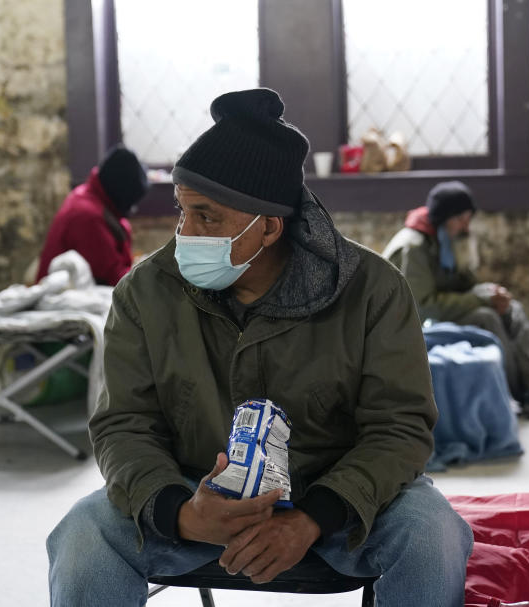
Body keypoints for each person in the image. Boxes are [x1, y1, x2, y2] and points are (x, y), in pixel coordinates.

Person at [46, 89, 474, 606]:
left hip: (337, 503)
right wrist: (181, 513)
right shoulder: (146, 292)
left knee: (434, 534)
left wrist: (315, 517)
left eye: (207, 217)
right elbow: (123, 424)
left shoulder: (373, 290)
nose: (186, 235)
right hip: (193, 496)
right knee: (82, 533)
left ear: (269, 225)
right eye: (182, 212)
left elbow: (400, 427)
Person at [383, 181, 529, 419]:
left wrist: (492, 294)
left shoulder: (448, 239)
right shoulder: (415, 246)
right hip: (413, 326)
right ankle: (519, 393)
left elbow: (466, 284)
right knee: (486, 317)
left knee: (511, 310)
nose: (466, 225)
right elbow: (422, 307)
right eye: (460, 218)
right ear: (443, 218)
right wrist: (480, 299)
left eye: (468, 218)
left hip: (441, 312)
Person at [36, 145, 148, 286]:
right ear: (122, 192)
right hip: (59, 298)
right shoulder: (88, 218)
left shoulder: (87, 194)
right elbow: (116, 280)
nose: (132, 209)